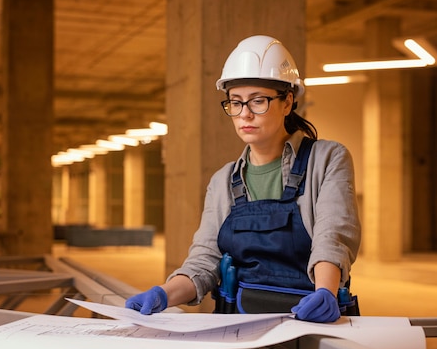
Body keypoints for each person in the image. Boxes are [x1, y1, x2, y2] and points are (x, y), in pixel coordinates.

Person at [126, 35, 361, 323]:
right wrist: (164, 293)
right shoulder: (223, 181)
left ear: (287, 102)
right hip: (239, 325)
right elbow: (205, 260)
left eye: (258, 101)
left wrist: (325, 292)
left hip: (310, 321)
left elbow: (332, 236)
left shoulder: (326, 159)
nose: (245, 114)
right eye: (235, 103)